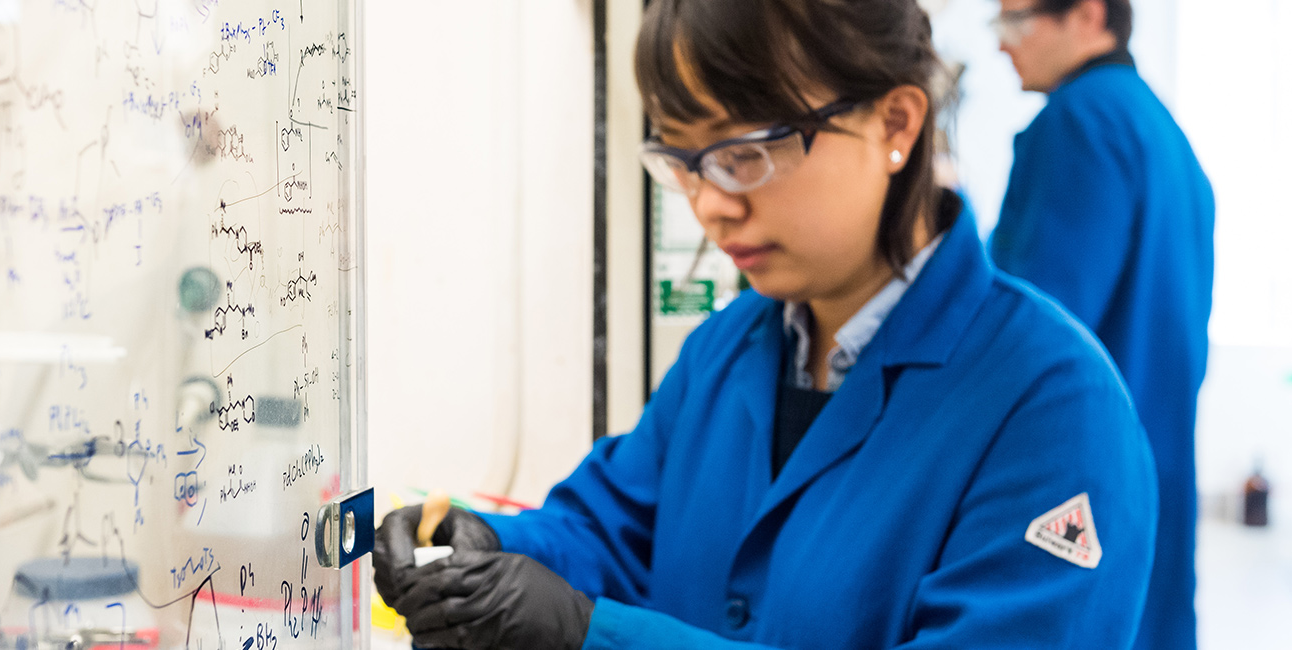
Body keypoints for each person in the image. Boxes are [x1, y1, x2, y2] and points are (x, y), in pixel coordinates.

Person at [373, 0, 1159, 647]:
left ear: (896, 123)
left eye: (745, 151)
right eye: (682, 162)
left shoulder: (1052, 407)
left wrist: (592, 634)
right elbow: (614, 528)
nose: (712, 203)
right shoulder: (729, 348)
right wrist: (492, 550)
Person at [989, 1, 1214, 648]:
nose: (1005, 46)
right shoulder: (1157, 125)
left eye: (1016, 22)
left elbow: (1029, 329)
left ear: (1087, 14)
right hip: (1152, 455)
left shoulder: (1079, 122)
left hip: (1074, 467)